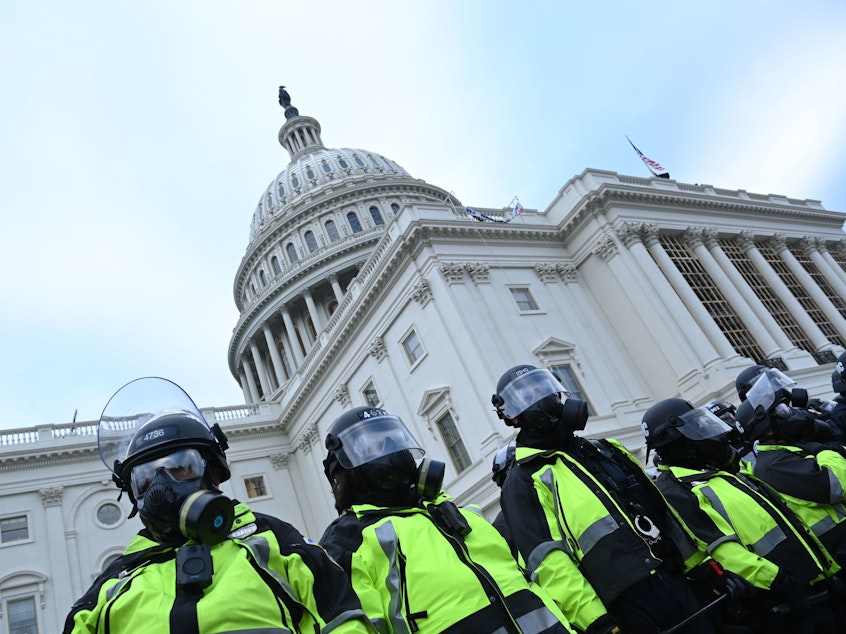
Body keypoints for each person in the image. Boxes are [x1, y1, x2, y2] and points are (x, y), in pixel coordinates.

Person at [64, 377, 372, 634]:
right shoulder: (113, 584)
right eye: (144, 479)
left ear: (213, 473)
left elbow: (345, 622)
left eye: (180, 466)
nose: (161, 488)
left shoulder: (274, 542)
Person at [492, 364, 742, 634]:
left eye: (545, 389)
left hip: (677, 581)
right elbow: (550, 563)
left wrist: (703, 568)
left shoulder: (607, 449)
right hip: (624, 607)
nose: (543, 399)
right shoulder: (522, 482)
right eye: (527, 397)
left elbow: (665, 514)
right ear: (512, 418)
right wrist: (597, 623)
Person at [319, 405, 578, 634]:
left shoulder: (461, 514)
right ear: (343, 473)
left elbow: (529, 585)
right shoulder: (345, 543)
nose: (392, 452)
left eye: (394, 441)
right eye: (371, 447)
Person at [643, 397, 839, 633]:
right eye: (697, 428)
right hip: (780, 599)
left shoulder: (712, 470)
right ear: (674, 440)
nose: (708, 434)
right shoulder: (674, 489)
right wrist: (780, 582)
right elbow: (720, 548)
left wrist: (826, 568)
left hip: (815, 582)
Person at [735, 367, 846, 570]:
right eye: (781, 411)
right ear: (765, 427)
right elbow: (836, 485)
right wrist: (823, 449)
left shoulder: (787, 446)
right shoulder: (772, 464)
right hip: (838, 546)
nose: (788, 414)